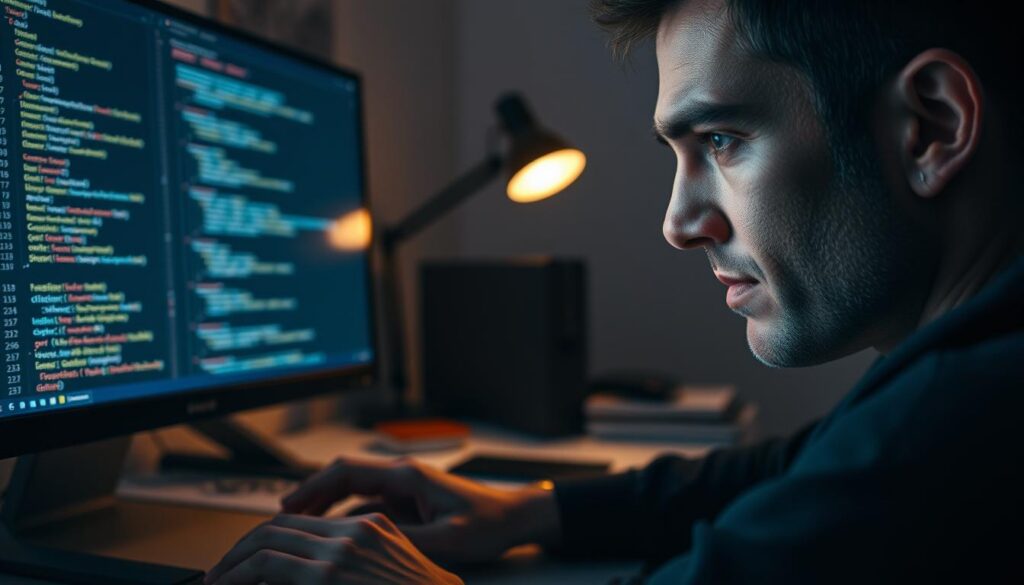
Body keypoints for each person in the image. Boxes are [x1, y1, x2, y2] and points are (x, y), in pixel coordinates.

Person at [203, 0, 1024, 582]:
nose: (678, 223)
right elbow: (804, 468)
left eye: (723, 140)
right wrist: (527, 510)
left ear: (931, 126)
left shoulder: (965, 410)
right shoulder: (959, 370)